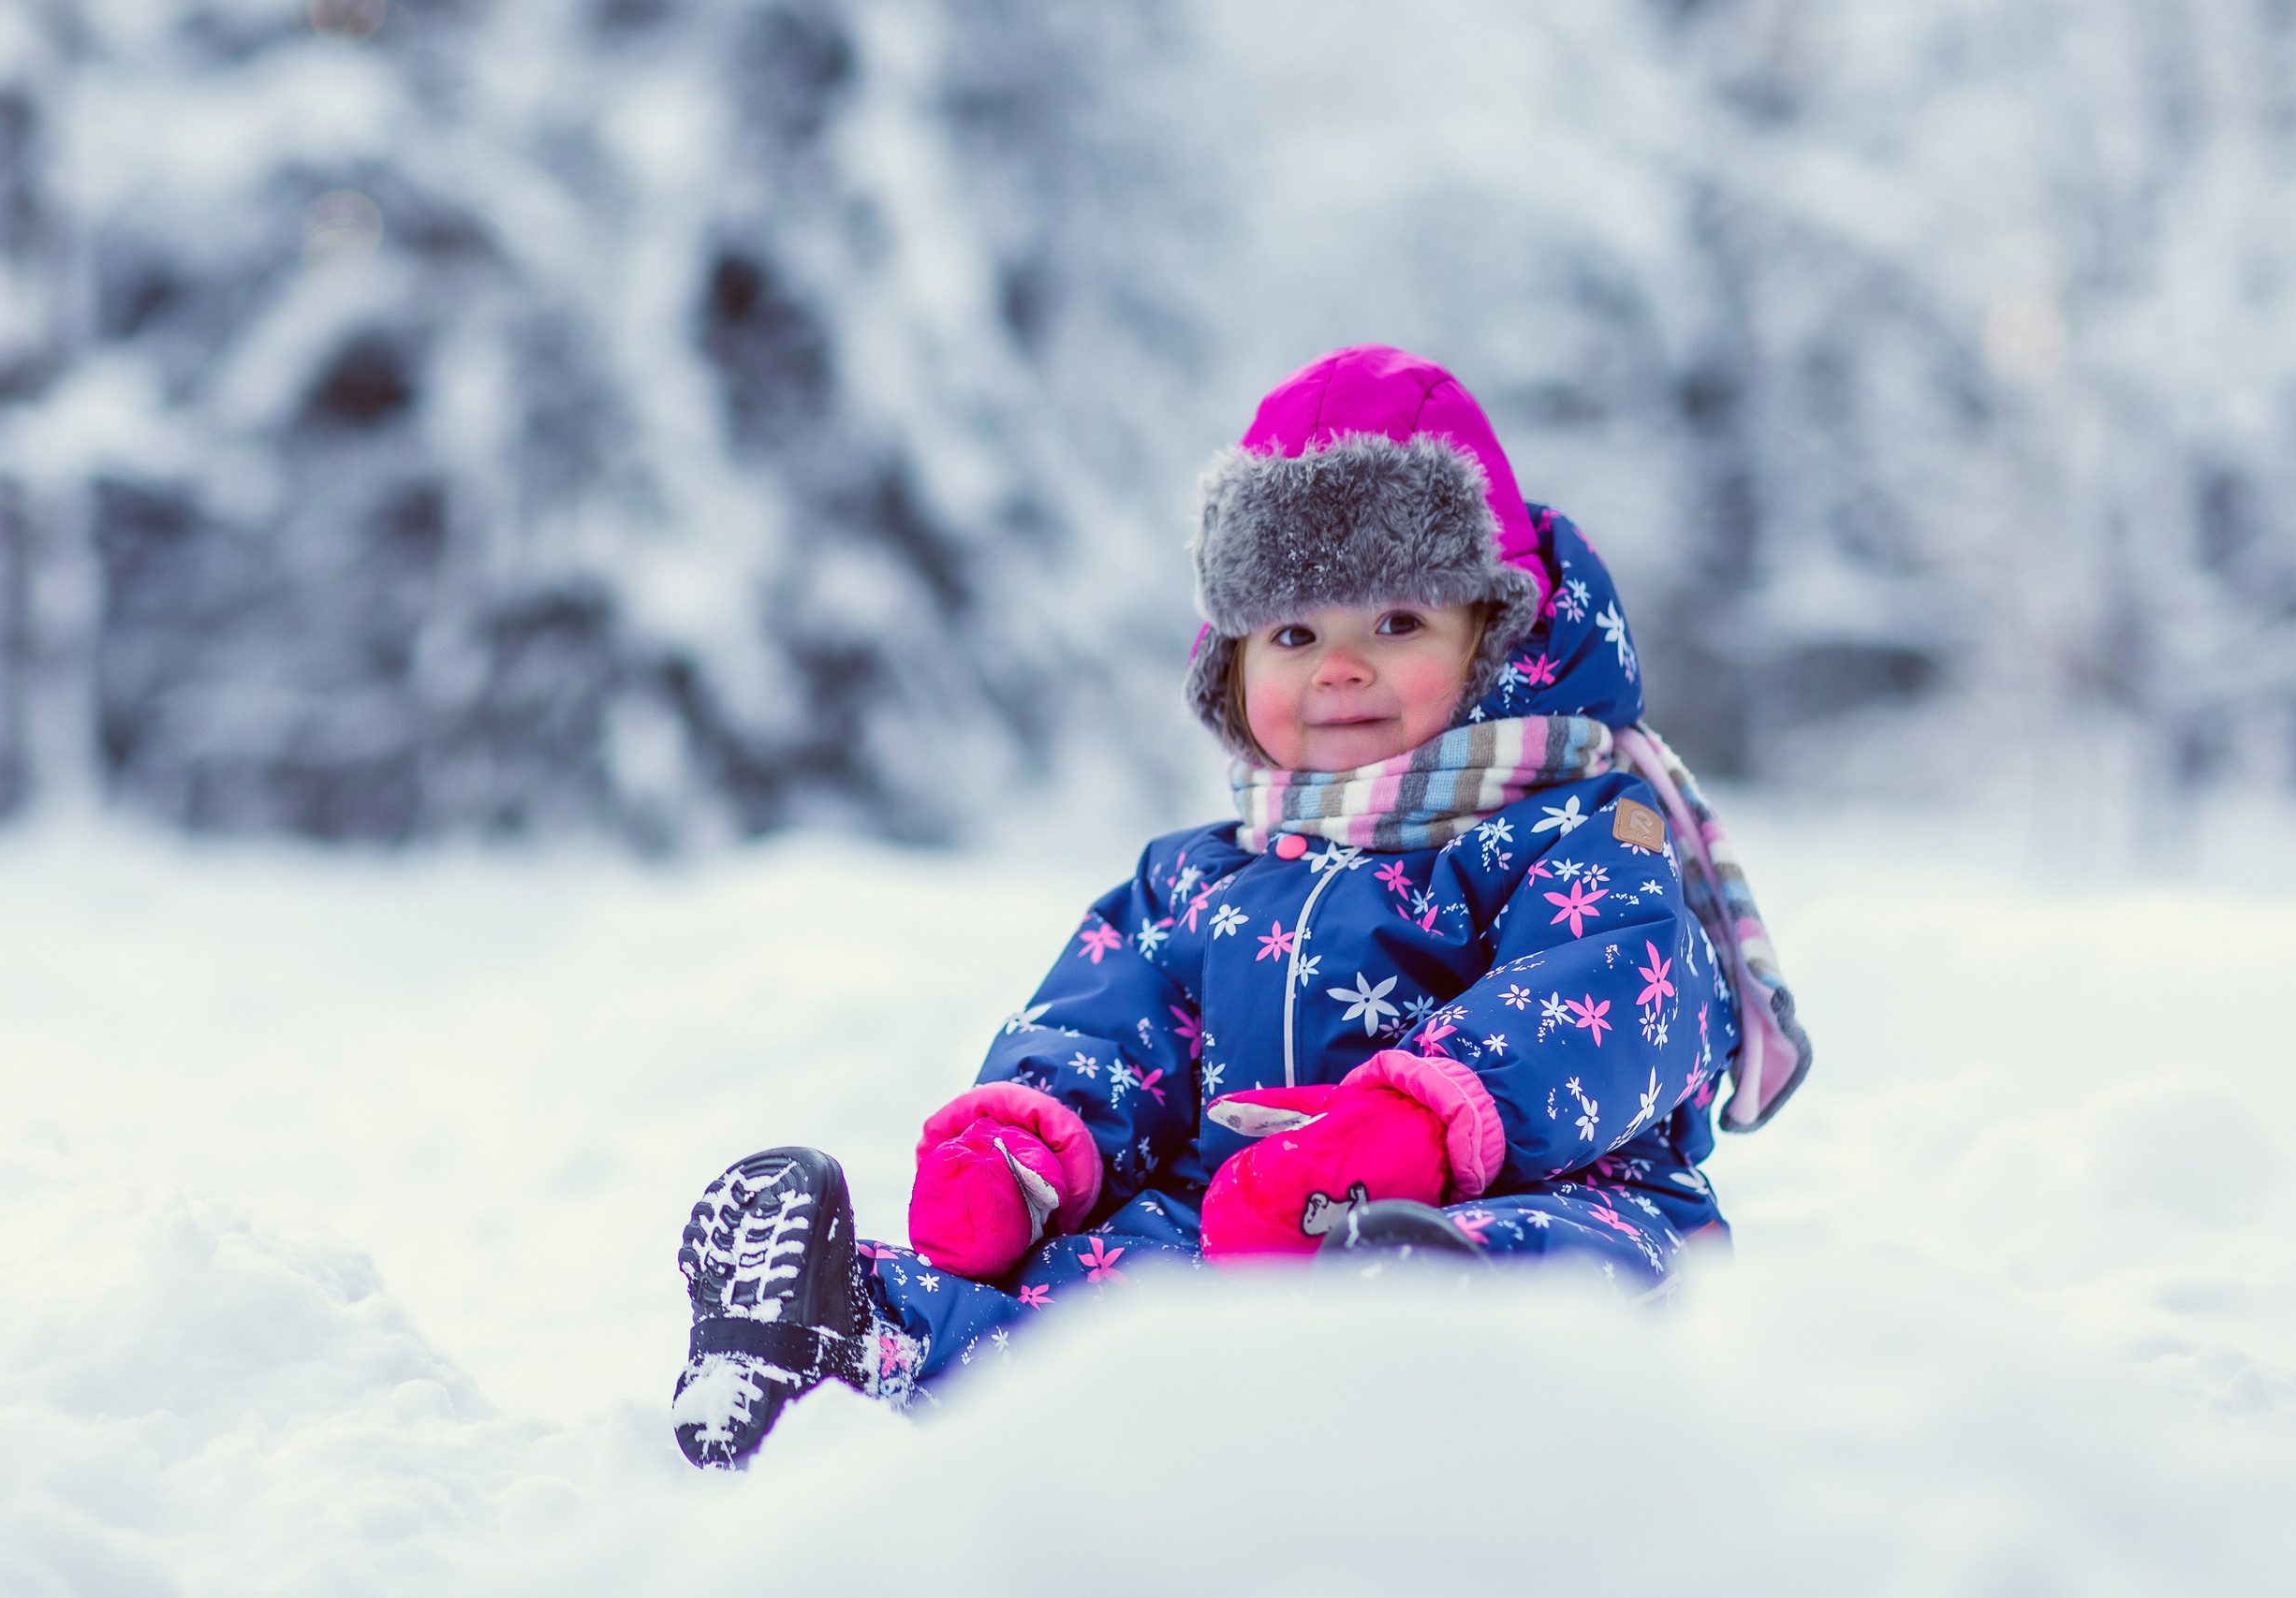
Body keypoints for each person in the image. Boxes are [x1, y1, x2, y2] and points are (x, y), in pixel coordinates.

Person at [669, 345, 1811, 1468]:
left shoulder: (1579, 827)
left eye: (1397, 623)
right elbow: (1103, 1025)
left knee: (1567, 1260)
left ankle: (1427, 1333)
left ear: (1495, 638)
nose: (1340, 667)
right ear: (1232, 663)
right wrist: (1026, 1142)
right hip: (1241, 1216)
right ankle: (843, 1336)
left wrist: (1411, 1130)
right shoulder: (1200, 874)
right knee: (1093, 1299)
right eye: (1295, 633)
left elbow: (1607, 996)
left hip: (1539, 1191)